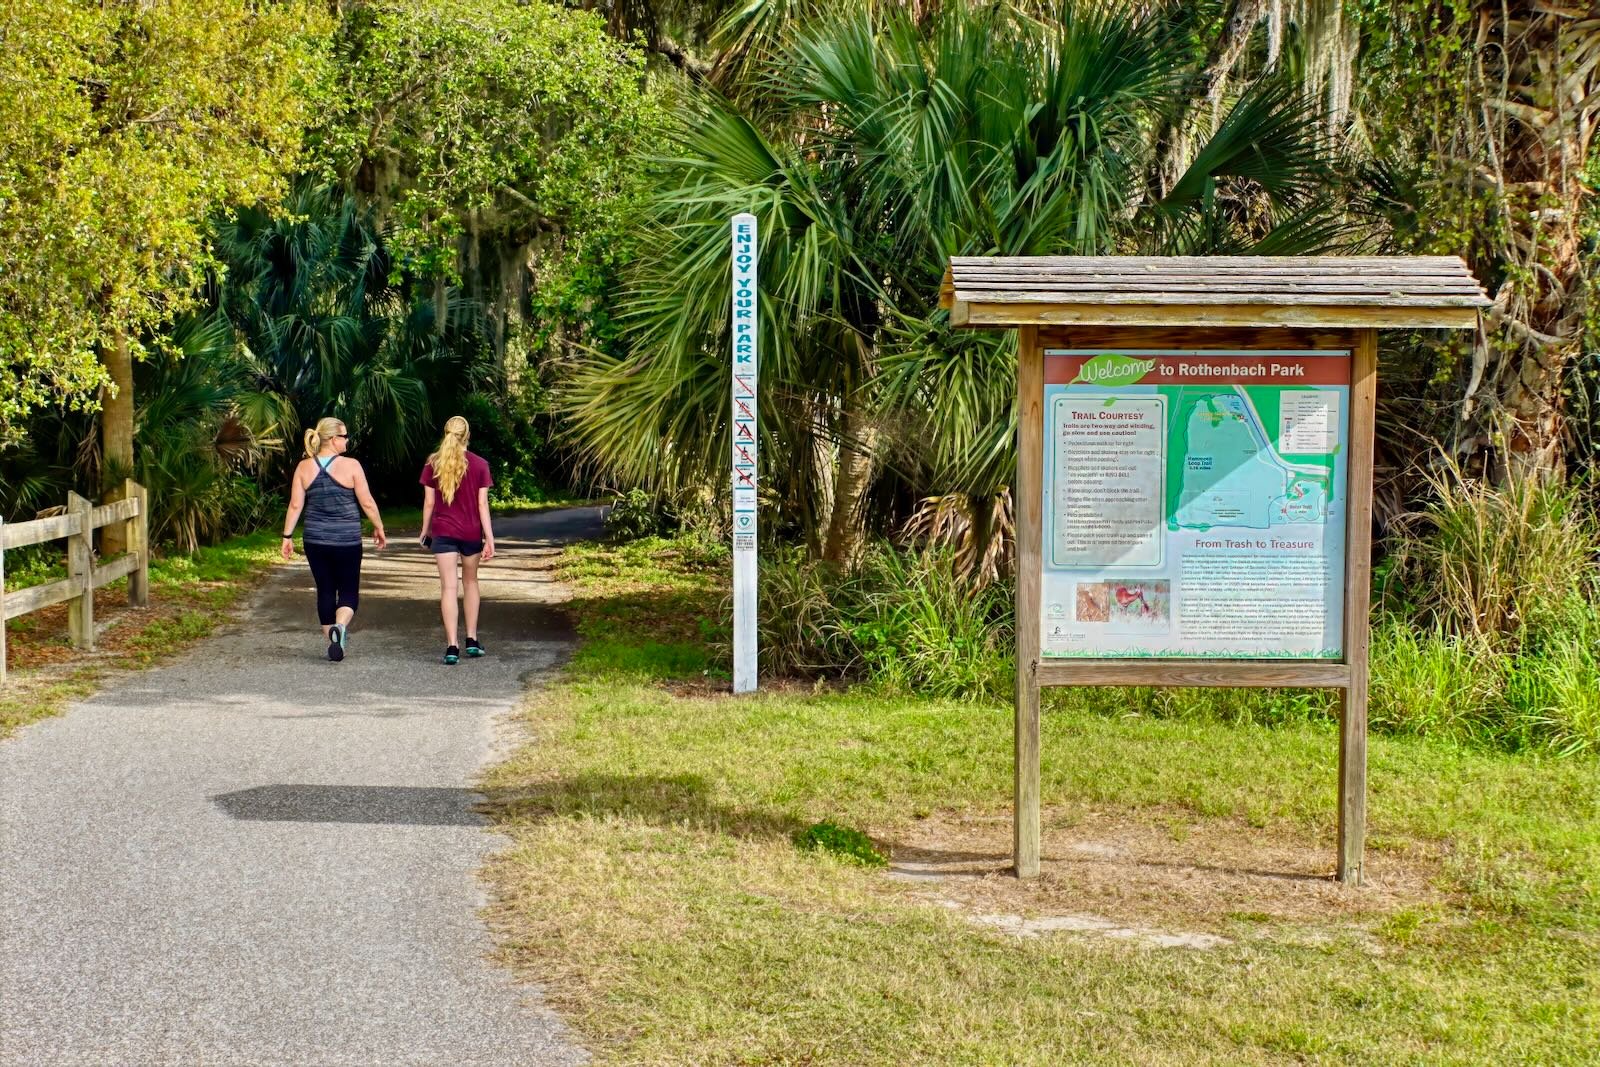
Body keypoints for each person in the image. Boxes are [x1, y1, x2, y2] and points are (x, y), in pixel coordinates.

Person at [280, 417, 387, 661]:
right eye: (344, 436)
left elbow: (296, 505)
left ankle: (334, 643)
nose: (347, 440)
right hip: (347, 540)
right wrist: (378, 526)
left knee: (325, 589)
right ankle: (341, 627)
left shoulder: (304, 467)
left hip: (315, 540)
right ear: (331, 439)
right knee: (348, 590)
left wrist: (287, 536)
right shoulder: (351, 466)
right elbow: (367, 502)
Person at [419, 416, 495, 665]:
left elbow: (429, 502)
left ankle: (452, 646)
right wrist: (489, 538)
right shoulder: (481, 464)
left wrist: (425, 530)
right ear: (467, 435)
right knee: (471, 582)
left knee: (449, 588)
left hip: (444, 533)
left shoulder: (433, 464)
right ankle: (471, 639)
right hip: (472, 533)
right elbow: (482, 504)